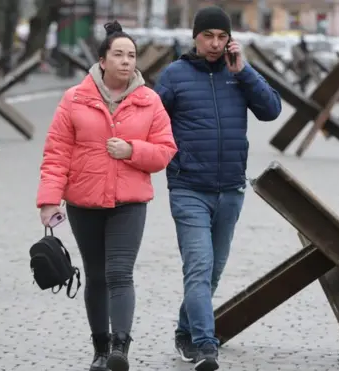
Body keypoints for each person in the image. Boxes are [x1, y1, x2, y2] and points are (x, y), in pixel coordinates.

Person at [36, 21, 177, 371]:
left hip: (129, 203)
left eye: (131, 55)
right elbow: (56, 153)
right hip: (83, 202)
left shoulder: (150, 102)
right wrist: (49, 200)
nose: (126, 61)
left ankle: (119, 349)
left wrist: (132, 150)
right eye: (118, 55)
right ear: (102, 60)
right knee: (96, 275)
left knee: (119, 273)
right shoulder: (74, 99)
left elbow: (164, 151)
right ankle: (100, 348)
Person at [153, 6, 282, 371]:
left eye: (221, 37)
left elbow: (272, 110)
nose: (214, 43)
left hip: (230, 190)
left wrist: (245, 72)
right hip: (188, 188)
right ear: (195, 37)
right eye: (207, 36)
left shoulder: (238, 74)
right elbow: (147, 121)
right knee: (198, 267)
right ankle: (205, 346)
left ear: (230, 40)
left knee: (211, 273)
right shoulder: (174, 76)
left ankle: (184, 331)